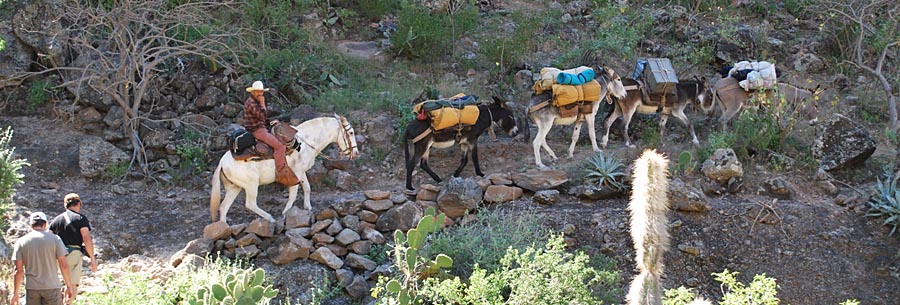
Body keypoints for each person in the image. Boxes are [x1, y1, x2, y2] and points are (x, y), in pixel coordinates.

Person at [11, 212, 76, 305]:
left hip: (32, 287)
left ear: (31, 225)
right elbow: (63, 264)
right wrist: (69, 286)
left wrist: (15, 293)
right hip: (52, 286)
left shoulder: (21, 242)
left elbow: (18, 270)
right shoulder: (55, 239)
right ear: (45, 224)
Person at [243, 80, 300, 186]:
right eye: (258, 92)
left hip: (260, 127)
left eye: (261, 92)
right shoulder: (251, 103)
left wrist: (270, 122)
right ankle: (281, 173)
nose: (260, 94)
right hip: (257, 131)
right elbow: (261, 116)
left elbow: (261, 119)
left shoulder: (254, 101)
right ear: (253, 92)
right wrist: (262, 103)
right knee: (280, 147)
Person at [49, 193, 96, 299]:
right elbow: (86, 238)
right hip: (74, 253)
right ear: (79, 203)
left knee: (59, 284)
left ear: (65, 205)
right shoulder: (81, 219)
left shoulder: (56, 220)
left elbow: (49, 238)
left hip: (57, 254)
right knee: (72, 285)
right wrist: (92, 258)